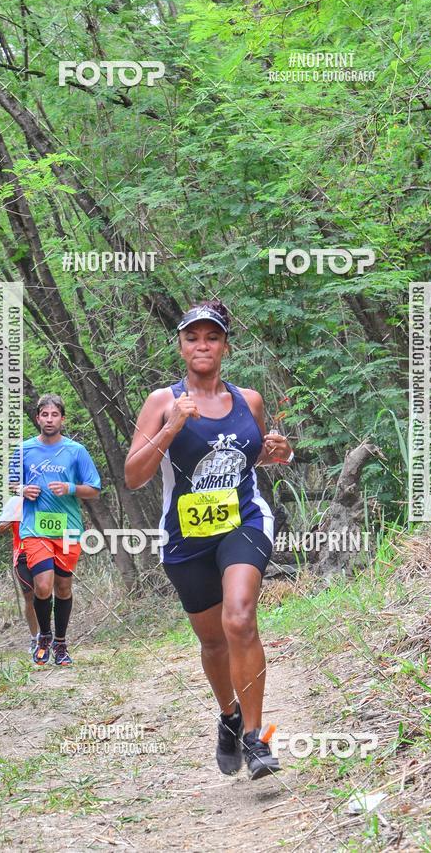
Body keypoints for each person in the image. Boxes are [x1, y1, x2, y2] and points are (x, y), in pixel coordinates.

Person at [124, 300, 294, 780]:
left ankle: (258, 740)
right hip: (186, 535)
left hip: (243, 521)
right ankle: (229, 715)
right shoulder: (162, 402)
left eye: (212, 337)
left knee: (239, 618)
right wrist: (172, 426)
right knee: (213, 641)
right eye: (193, 337)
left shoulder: (249, 400)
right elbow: (133, 475)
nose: (203, 345)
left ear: (225, 346)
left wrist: (280, 453)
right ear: (181, 346)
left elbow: (254, 456)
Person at [10, 394, 101, 667]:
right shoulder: (23, 450)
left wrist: (70, 488)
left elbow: (94, 490)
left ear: (62, 418)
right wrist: (22, 489)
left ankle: (60, 643)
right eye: (44, 415)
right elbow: (10, 483)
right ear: (37, 418)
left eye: (54, 415)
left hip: (68, 529)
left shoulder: (76, 451)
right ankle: (44, 637)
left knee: (63, 588)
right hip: (34, 528)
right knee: (43, 585)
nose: (49, 420)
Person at [0, 494, 39, 653]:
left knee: (44, 594)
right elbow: (0, 528)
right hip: (21, 556)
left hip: (42, 552)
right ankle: (35, 637)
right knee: (30, 598)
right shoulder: (15, 502)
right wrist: (14, 516)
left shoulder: (46, 498)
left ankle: (46, 636)